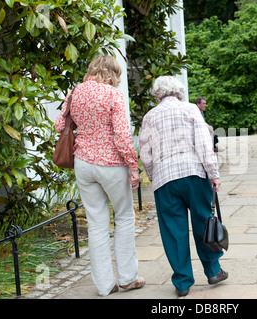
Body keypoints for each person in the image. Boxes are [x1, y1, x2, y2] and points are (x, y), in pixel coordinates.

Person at [55, 55, 145, 297]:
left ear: (92, 69)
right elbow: (122, 135)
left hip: (83, 163)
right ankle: (128, 278)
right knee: (124, 217)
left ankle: (105, 285)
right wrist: (133, 166)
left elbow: (59, 125)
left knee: (96, 224)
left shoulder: (76, 92)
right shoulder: (113, 94)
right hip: (111, 163)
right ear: (113, 73)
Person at [139, 76, 228, 297]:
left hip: (164, 180)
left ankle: (182, 282)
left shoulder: (149, 117)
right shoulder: (190, 110)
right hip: (194, 175)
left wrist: (154, 177)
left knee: (173, 230)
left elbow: (146, 155)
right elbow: (204, 144)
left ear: (158, 94)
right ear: (179, 92)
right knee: (203, 222)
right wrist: (213, 173)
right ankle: (213, 270)